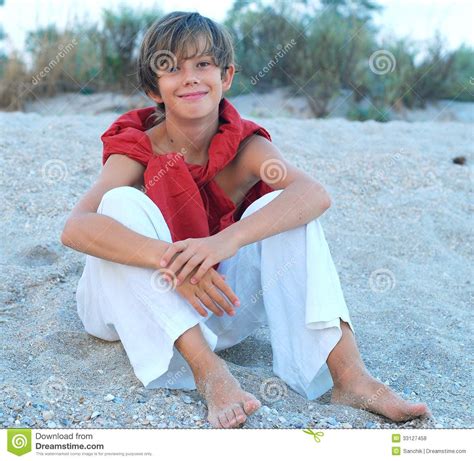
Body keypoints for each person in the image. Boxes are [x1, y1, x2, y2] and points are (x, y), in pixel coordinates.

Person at [61, 11, 431, 429]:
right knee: (121, 204)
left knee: (288, 213)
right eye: (172, 69)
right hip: (122, 308)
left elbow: (314, 194)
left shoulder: (243, 144)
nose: (190, 78)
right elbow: (76, 226)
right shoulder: (138, 145)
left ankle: (350, 376)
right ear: (153, 89)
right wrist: (172, 262)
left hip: (214, 303)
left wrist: (223, 242)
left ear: (227, 76)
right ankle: (211, 373)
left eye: (203, 65)